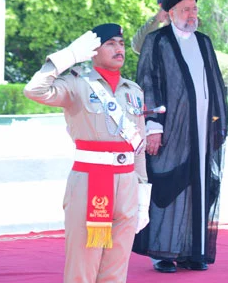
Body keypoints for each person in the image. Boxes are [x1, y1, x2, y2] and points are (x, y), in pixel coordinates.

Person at [24, 24, 151, 283]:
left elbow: (139, 146)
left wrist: (143, 196)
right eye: (110, 43)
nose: (119, 48)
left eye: (121, 43)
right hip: (91, 181)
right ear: (93, 51)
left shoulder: (133, 90)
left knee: (117, 267)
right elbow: (33, 90)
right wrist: (68, 56)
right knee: (83, 266)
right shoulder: (76, 84)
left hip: (127, 183)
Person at [132, 0, 228, 273]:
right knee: (168, 185)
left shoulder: (204, 41)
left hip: (200, 131)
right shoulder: (157, 41)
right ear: (171, 12)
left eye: (194, 8)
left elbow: (215, 85)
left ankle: (192, 251)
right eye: (185, 9)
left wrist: (217, 124)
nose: (191, 14)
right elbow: (148, 82)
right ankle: (163, 251)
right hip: (170, 130)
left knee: (199, 187)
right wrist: (153, 127)